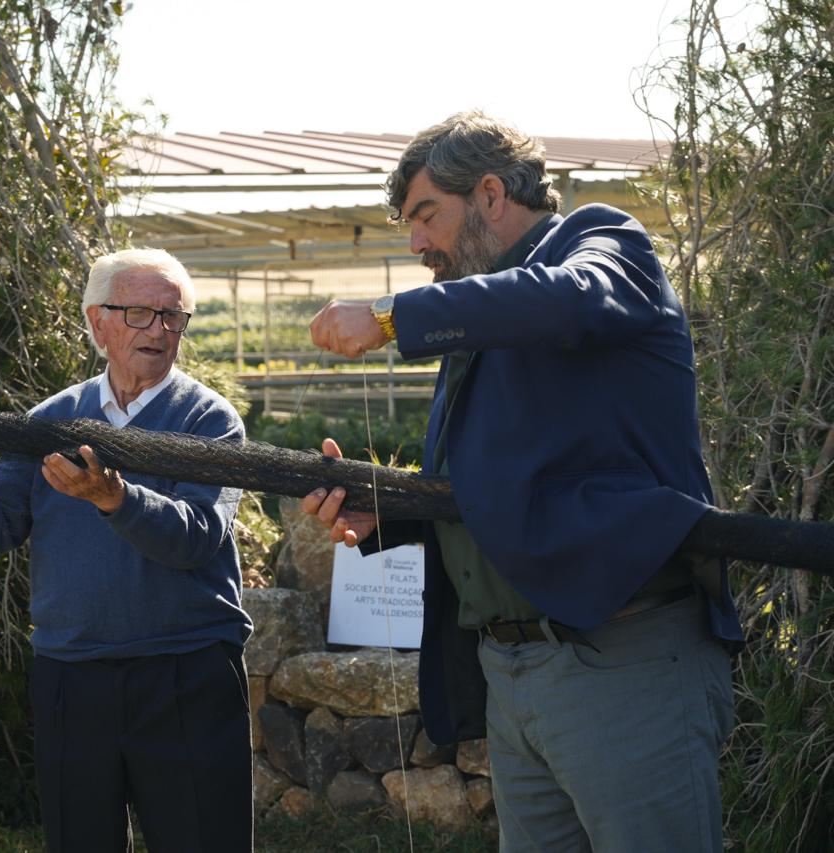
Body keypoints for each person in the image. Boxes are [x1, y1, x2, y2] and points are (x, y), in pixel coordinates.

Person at [304, 112, 742, 852]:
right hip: (513, 672)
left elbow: (567, 298)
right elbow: (497, 481)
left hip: (623, 657)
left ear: (491, 194)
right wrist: (392, 516)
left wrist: (388, 318)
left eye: (426, 216)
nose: (416, 245)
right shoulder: (483, 302)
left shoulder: (604, 245)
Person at [0, 248, 253, 853]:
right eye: (139, 314)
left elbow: (196, 539)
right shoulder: (50, 421)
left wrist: (113, 499)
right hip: (72, 677)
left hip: (184, 670)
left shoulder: (209, 420)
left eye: (172, 316)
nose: (158, 330)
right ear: (97, 322)